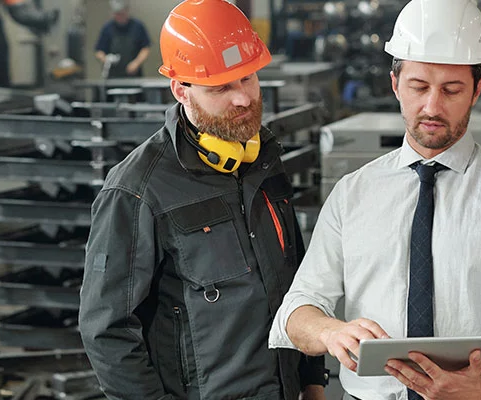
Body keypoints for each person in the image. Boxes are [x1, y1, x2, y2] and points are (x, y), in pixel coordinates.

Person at [267, 0, 481, 398]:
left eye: (451, 90)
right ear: (394, 84)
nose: (432, 107)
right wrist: (330, 330)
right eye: (418, 87)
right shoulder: (353, 193)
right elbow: (297, 310)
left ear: (477, 91)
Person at [78, 1, 327, 399]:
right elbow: (107, 332)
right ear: (181, 89)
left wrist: (312, 378)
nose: (243, 99)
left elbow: (297, 280)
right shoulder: (137, 189)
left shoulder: (264, 162)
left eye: (248, 79)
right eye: (220, 88)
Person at [93, 0, 151, 78]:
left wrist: (136, 63)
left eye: (121, 14)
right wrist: (106, 60)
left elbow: (145, 48)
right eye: (116, 14)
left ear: (127, 11)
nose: (119, 17)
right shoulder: (107, 28)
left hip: (134, 76)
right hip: (113, 76)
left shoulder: (138, 26)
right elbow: (99, 51)